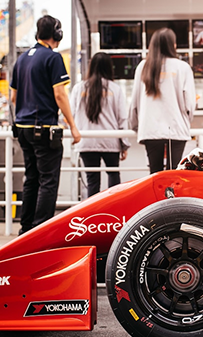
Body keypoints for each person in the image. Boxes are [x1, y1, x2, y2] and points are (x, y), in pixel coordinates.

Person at [10, 15, 81, 235]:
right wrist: (72, 126)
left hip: (23, 128)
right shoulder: (53, 58)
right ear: (57, 34)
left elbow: (13, 97)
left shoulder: (21, 59)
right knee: (48, 181)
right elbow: (60, 95)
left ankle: (25, 229)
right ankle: (40, 232)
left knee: (31, 179)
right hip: (43, 129)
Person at [129, 28, 195, 174]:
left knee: (155, 173)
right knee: (173, 173)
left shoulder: (143, 67)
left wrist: (136, 126)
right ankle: (172, 198)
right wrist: (186, 120)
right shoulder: (182, 67)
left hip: (150, 129)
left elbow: (134, 102)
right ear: (173, 45)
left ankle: (156, 198)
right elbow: (189, 103)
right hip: (176, 129)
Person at [70, 53, 130, 197]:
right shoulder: (115, 89)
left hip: (86, 141)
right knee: (114, 178)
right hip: (110, 141)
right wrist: (124, 144)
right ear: (109, 68)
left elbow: (71, 114)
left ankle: (92, 215)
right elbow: (122, 118)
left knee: (92, 181)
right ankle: (114, 211)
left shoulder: (79, 88)